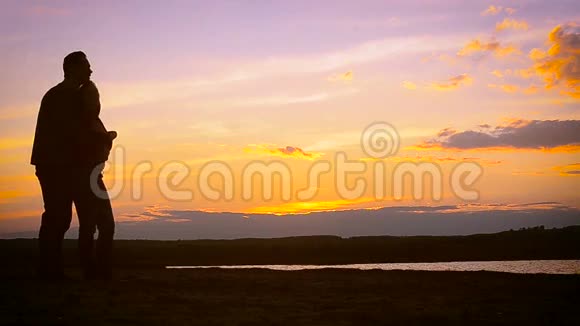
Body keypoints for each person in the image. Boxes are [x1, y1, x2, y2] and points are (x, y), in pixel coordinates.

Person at [31, 51, 117, 280]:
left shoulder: (69, 96)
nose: (90, 71)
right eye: (86, 66)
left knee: (73, 220)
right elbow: (72, 135)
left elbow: (80, 132)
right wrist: (103, 139)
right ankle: (55, 271)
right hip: (62, 168)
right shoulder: (62, 97)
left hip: (73, 167)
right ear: (71, 69)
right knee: (62, 219)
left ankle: (78, 271)